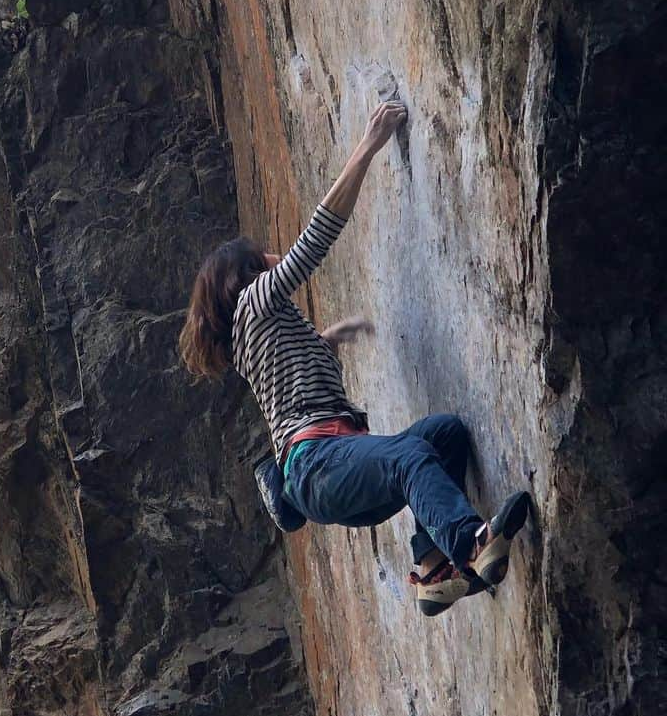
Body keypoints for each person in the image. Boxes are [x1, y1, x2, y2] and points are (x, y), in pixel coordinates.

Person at [179, 100, 530, 615]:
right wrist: (368, 145)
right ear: (247, 274)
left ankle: (432, 570)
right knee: (410, 457)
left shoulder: (256, 334)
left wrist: (327, 340)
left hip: (329, 473)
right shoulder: (256, 300)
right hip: (319, 467)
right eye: (265, 256)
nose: (276, 255)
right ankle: (470, 544)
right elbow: (315, 240)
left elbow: (290, 382)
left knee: (444, 434)